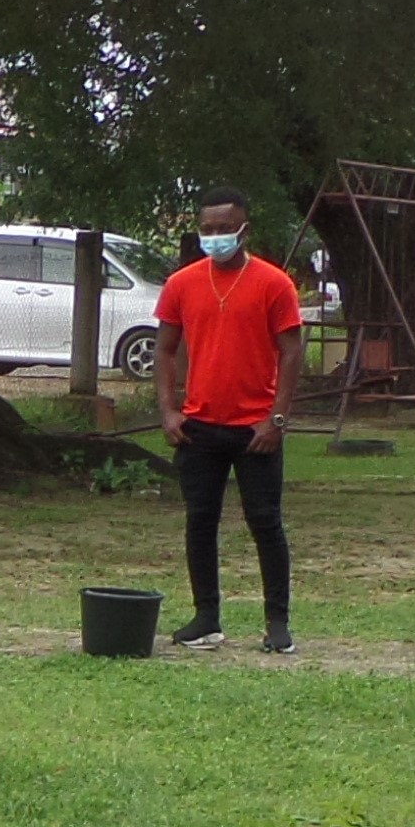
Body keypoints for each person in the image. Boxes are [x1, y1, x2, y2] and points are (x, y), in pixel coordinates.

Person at [151, 189, 300, 653]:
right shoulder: (182, 283)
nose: (215, 238)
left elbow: (292, 352)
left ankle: (278, 623)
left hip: (256, 427)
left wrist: (277, 418)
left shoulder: (275, 284)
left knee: (265, 522)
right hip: (199, 427)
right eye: (208, 229)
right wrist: (168, 409)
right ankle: (206, 618)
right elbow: (165, 349)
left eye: (224, 229)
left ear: (243, 230)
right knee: (200, 521)